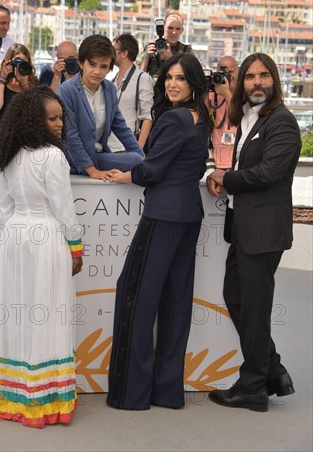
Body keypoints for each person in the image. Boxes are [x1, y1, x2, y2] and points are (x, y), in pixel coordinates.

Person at [106, 53, 213, 410]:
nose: (172, 84)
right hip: (188, 218)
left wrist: (127, 175)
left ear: (194, 83)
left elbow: (151, 170)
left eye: (181, 78)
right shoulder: (202, 119)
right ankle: (167, 392)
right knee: (175, 303)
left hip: (163, 217)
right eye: (168, 77)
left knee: (135, 296)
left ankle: (132, 394)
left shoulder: (173, 119)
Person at [0, 85, 83, 428]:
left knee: (15, 314)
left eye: (61, 118)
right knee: (46, 314)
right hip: (47, 238)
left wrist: (20, 228)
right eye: (52, 118)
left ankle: (7, 395)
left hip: (15, 238)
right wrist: (75, 247)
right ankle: (41, 399)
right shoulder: (53, 157)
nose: (59, 125)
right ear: (33, 121)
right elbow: (63, 208)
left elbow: (5, 207)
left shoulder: (8, 153)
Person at [206, 53, 301, 412]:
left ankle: (253, 386)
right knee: (237, 297)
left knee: (255, 308)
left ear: (274, 80)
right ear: (241, 81)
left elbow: (268, 173)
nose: (257, 82)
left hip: (263, 231)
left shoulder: (283, 122)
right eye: (250, 77)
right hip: (244, 227)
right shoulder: (247, 117)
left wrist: (225, 178)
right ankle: (273, 370)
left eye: (264, 76)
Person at [58, 35, 143, 181]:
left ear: (110, 68)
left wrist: (143, 157)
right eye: (92, 64)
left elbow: (121, 127)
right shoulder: (67, 90)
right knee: (134, 160)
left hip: (98, 154)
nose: (97, 71)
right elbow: (70, 137)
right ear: (81, 62)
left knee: (137, 158)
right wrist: (92, 171)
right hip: (74, 159)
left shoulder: (109, 88)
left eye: (103, 66)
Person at [0, 43, 38, 165]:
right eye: (16, 61)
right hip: (2, 144)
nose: (19, 65)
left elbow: (34, 110)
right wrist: (2, 79)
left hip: (25, 144)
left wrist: (25, 84)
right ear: (8, 62)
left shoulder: (34, 84)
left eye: (23, 62)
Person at [108, 34, 154, 152]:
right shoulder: (112, 79)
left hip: (126, 148)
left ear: (124, 53)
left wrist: (138, 149)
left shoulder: (142, 78)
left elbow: (148, 117)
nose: (110, 54)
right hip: (107, 147)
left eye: (113, 50)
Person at [140, 13, 194, 80]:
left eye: (177, 29)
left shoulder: (186, 51)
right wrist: (146, 57)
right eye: (170, 28)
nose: (174, 32)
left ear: (182, 31)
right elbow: (139, 78)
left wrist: (170, 59)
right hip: (154, 89)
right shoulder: (152, 47)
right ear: (163, 28)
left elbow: (191, 77)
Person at [209, 56, 239, 170]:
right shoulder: (212, 97)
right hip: (216, 163)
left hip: (237, 164)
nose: (227, 76)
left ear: (238, 72)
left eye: (230, 72)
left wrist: (227, 94)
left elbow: (239, 119)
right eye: (222, 72)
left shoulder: (244, 97)